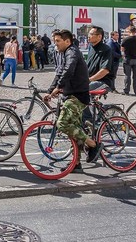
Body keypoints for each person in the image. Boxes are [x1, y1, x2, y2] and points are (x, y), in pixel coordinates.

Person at [44, 29, 103, 171]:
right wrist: (50, 90)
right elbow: (59, 73)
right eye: (55, 41)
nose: (55, 44)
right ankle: (76, 164)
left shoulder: (72, 52)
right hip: (70, 95)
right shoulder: (64, 53)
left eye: (58, 41)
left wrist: (58, 88)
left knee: (62, 124)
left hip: (77, 96)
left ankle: (93, 144)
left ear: (67, 41)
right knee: (74, 128)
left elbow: (68, 70)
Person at [86, 26, 114, 91]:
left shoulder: (106, 49)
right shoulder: (91, 47)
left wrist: (89, 80)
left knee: (81, 89)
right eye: (89, 34)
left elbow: (105, 70)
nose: (89, 36)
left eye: (91, 34)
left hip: (103, 82)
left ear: (99, 37)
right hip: (90, 80)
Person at [121, 26, 136, 95]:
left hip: (128, 59)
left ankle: (126, 90)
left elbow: (122, 49)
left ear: (129, 31)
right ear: (135, 31)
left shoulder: (125, 40)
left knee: (127, 75)